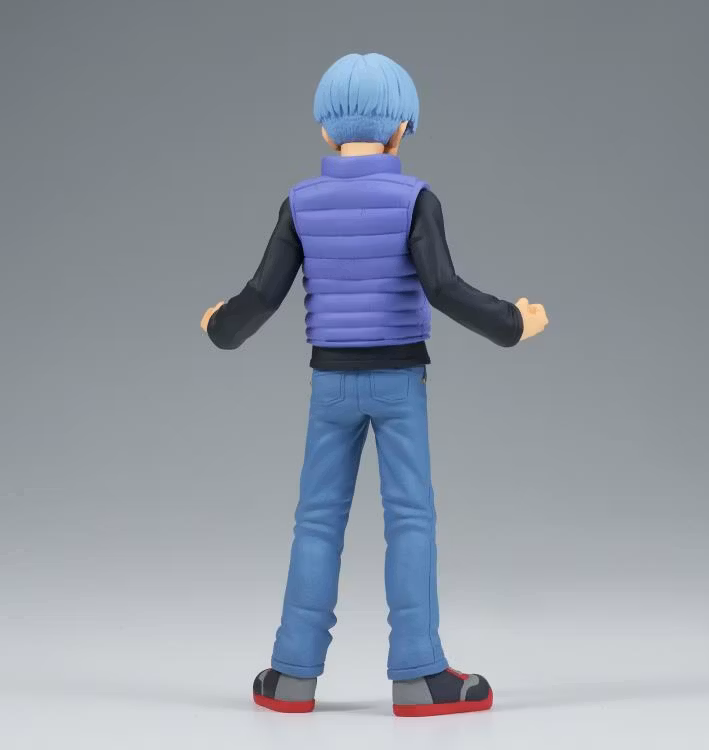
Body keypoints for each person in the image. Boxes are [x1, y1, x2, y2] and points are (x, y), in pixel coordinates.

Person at [201, 52, 549, 717]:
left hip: (330, 382)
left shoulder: (300, 202)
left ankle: (291, 674)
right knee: (410, 518)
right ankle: (419, 674)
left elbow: (262, 296)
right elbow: (444, 287)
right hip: (398, 381)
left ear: (325, 130)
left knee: (316, 522)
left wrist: (220, 325)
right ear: (400, 130)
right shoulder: (415, 198)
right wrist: (513, 322)